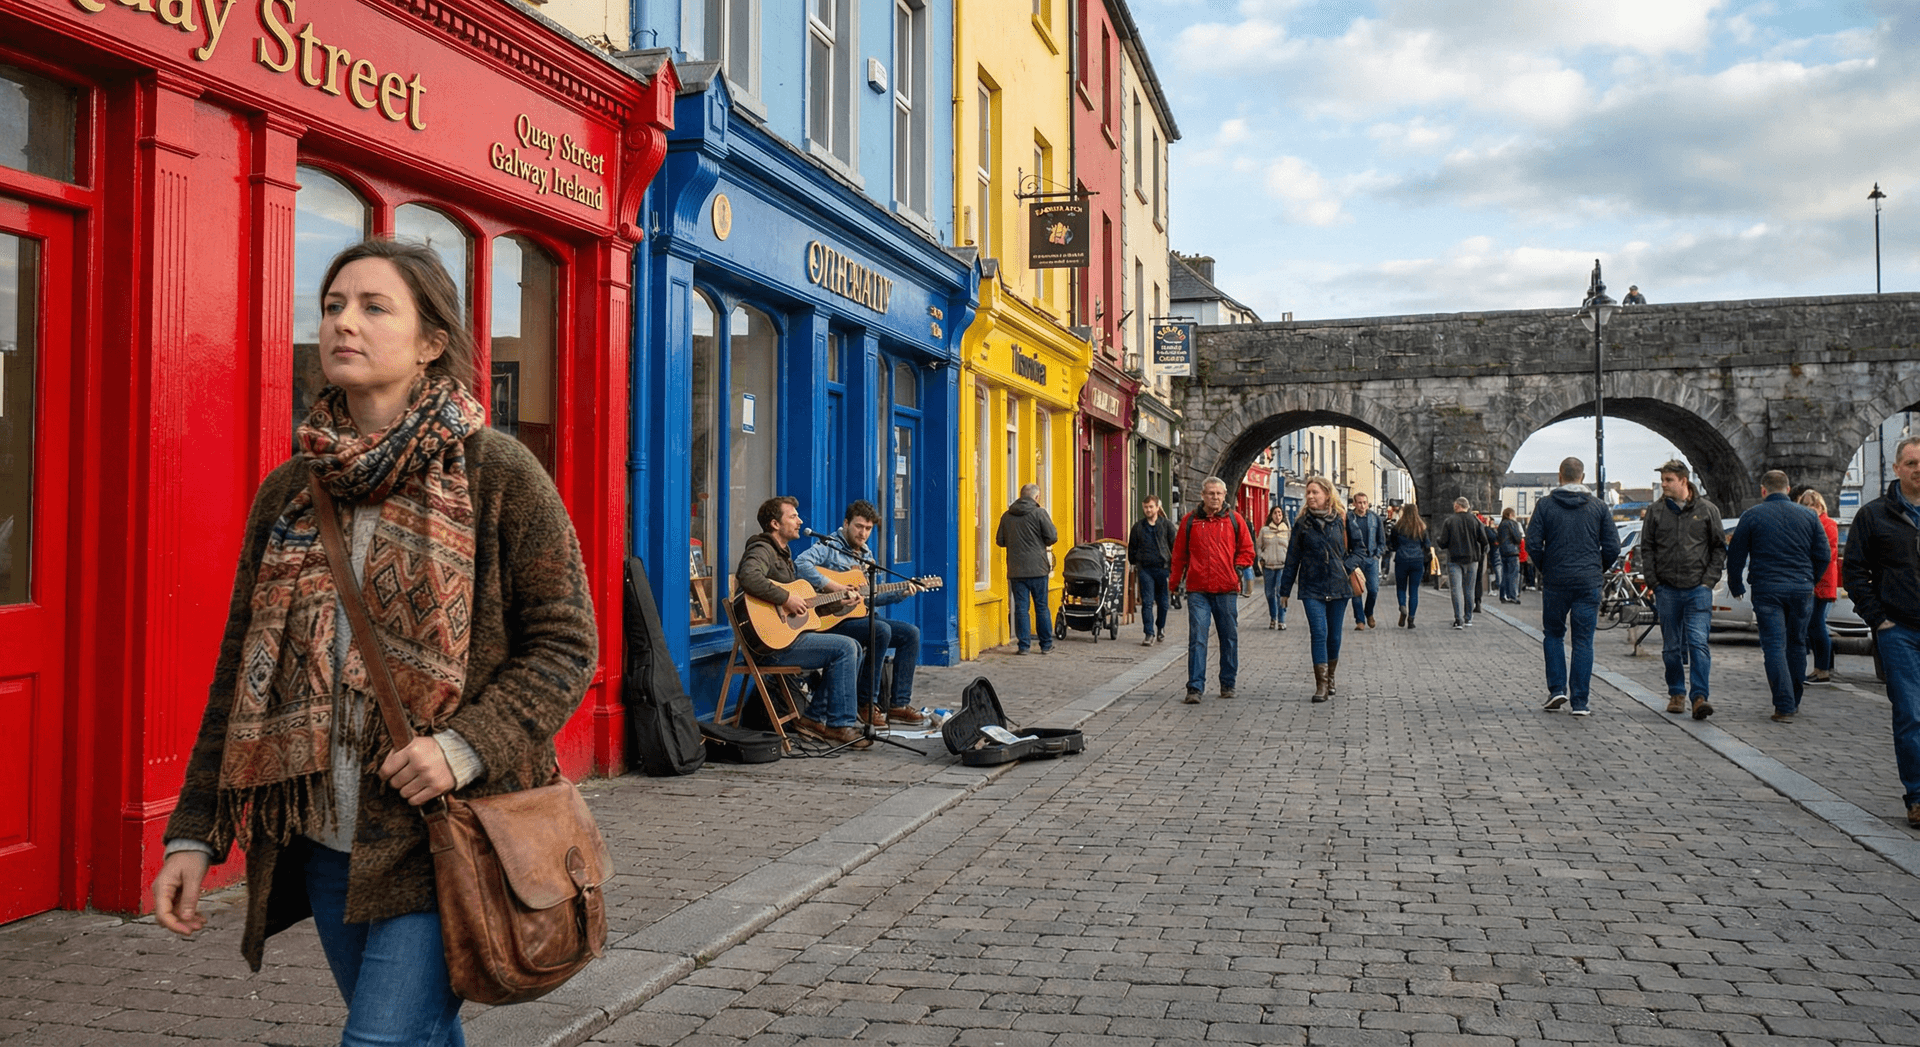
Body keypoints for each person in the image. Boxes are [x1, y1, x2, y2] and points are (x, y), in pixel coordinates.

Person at [150, 239, 599, 1045]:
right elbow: (237, 672)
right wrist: (195, 831)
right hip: (324, 837)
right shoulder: (290, 492)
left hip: (448, 828)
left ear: (432, 341)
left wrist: (462, 746)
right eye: (332, 306)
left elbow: (568, 644)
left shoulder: (496, 472)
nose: (343, 323)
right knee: (416, 1036)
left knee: (380, 1039)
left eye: (372, 306)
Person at [737, 496, 869, 744]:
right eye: (793, 516)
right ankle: (839, 724)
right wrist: (786, 598)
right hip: (770, 647)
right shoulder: (762, 548)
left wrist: (838, 603)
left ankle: (815, 716)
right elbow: (748, 577)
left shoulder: (783, 554)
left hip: (787, 637)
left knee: (853, 647)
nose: (800, 521)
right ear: (775, 524)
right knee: (845, 647)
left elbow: (807, 609)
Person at [1841, 435, 1920, 830]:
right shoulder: (1873, 516)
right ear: (1897, 469)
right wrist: (1878, 618)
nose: (1918, 469)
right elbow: (1853, 571)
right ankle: (1917, 796)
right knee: (1910, 714)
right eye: (1911, 463)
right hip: (1899, 630)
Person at [795, 500, 929, 728]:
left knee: (911, 634)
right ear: (846, 523)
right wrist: (835, 587)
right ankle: (866, 703)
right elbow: (801, 563)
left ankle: (897, 705)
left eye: (868, 529)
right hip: (831, 620)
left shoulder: (866, 556)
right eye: (858, 527)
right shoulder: (829, 546)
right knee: (880, 630)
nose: (863, 533)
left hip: (858, 617)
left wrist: (902, 592)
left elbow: (869, 597)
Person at [1727, 470, 1829, 723]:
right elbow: (1824, 554)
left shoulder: (1752, 516)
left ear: (1763, 490)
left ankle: (1783, 704)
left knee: (1773, 646)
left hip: (1767, 589)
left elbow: (1736, 554)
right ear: (1788, 488)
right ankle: (1793, 700)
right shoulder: (1808, 516)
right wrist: (1810, 579)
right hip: (1801, 589)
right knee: (1796, 644)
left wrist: (1736, 584)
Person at [1526, 457, 1620, 717]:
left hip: (1557, 580)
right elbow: (1613, 546)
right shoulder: (1599, 507)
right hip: (1588, 582)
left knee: (1554, 634)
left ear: (1560, 476)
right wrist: (1596, 568)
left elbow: (1532, 543)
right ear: (1583, 476)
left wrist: (1547, 566)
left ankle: (1557, 689)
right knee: (1583, 641)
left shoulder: (1545, 506)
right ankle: (1580, 702)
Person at [1640, 460, 1726, 720]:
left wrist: (1708, 581)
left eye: (1668, 480)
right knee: (1671, 647)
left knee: (1698, 643)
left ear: (1683, 481)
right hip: (1667, 589)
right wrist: (1654, 583)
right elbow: (1648, 549)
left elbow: (1718, 547)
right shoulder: (1656, 512)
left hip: (1697, 588)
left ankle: (1699, 696)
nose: (1663, 484)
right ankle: (1676, 692)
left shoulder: (1707, 510)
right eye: (1663, 480)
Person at [1277, 476, 1364, 702]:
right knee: (1319, 633)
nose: (1311, 496)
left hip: (1338, 585)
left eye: (1315, 492)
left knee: (1334, 636)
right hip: (1311, 586)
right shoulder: (1302, 523)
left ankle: (1331, 676)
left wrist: (1345, 567)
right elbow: (1292, 557)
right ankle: (1321, 685)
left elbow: (1360, 550)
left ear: (1327, 494)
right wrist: (1284, 590)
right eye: (1308, 493)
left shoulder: (1343, 520)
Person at [1171, 477, 1255, 703]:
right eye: (1210, 493)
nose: (1215, 497)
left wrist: (1237, 567)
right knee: (1197, 638)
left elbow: (1247, 550)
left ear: (1225, 495)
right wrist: (1173, 584)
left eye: (1218, 494)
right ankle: (1195, 688)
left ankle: (1228, 683)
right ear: (1202, 495)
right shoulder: (1190, 522)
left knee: (1228, 638)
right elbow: (1179, 555)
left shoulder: (1235, 520)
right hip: (1198, 589)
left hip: (1226, 588)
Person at [997, 483, 1058, 655]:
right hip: (1038, 569)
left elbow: (1000, 541)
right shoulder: (1039, 513)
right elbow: (1052, 537)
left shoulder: (1007, 516)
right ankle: (1046, 644)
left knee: (1021, 608)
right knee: (1041, 606)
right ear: (1036, 497)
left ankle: (1023, 646)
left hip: (1016, 570)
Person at [1798, 488, 1840, 685]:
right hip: (1812, 581)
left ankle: (1824, 669)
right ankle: (1819, 668)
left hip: (1822, 582)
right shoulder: (1807, 524)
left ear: (1819, 505)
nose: (1809, 508)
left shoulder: (1827, 524)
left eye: (1812, 504)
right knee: (1813, 626)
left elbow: (1827, 554)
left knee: (1817, 624)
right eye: (1805, 504)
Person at [1434, 497, 1488, 628]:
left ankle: (1458, 619)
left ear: (1457, 506)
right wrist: (1481, 553)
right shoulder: (1475, 520)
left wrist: (1438, 540)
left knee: (1456, 590)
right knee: (1469, 589)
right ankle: (1468, 618)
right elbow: (1484, 540)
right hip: (1472, 559)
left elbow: (1443, 543)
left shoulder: (1449, 521)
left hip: (1454, 559)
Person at [1129, 496, 1177, 646]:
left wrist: (1174, 567)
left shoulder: (1167, 525)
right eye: (1145, 507)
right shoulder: (1138, 527)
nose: (1148, 510)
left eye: (1151, 507)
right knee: (1147, 602)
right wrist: (1135, 563)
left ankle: (1160, 627)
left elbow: (1174, 546)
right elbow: (1132, 547)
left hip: (1163, 569)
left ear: (1157, 507)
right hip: (1145, 570)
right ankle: (1149, 633)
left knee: (1163, 603)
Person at [1389, 497, 1431, 628]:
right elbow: (1427, 545)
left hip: (1402, 559)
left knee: (1401, 587)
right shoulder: (1421, 527)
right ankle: (1411, 619)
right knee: (1414, 591)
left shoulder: (1398, 527)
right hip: (1417, 560)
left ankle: (1402, 606)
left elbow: (1392, 545)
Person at [1347, 492, 1386, 629]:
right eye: (1359, 502)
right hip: (1354, 559)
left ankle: (1368, 612)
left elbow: (1382, 540)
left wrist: (1377, 555)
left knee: (1373, 590)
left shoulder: (1375, 518)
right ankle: (1360, 621)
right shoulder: (1348, 518)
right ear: (1354, 503)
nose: (1362, 505)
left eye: (1364, 502)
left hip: (1371, 558)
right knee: (1356, 591)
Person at [1257, 505, 1292, 631]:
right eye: (1275, 513)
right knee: (1270, 593)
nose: (1278, 515)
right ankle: (1273, 617)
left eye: (1280, 513)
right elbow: (1258, 547)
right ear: (1271, 515)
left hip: (1282, 567)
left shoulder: (1287, 531)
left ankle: (1281, 619)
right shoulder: (1264, 530)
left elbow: (1291, 549)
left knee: (1280, 593)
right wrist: (1261, 558)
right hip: (1268, 566)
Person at [1496, 508, 1525, 603]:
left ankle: (1503, 595)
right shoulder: (1512, 523)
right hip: (1512, 551)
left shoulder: (1501, 525)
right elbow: (1517, 537)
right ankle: (1512, 596)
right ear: (1510, 515)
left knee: (1504, 574)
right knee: (1513, 574)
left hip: (1503, 551)